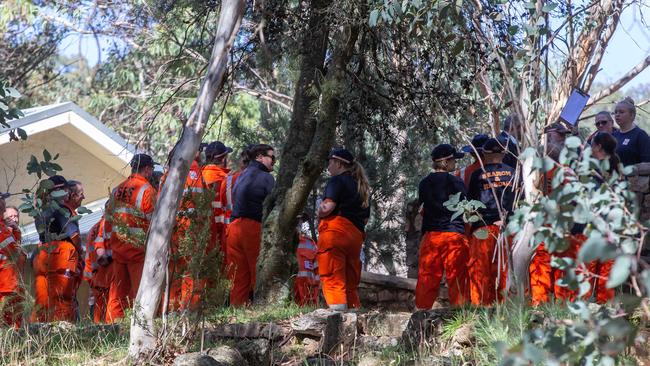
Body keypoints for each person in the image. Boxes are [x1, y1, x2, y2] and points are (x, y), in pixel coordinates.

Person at [416, 144, 469, 309]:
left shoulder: (424, 183)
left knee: (427, 279)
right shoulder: (457, 182)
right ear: (446, 162)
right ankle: (460, 318)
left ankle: (420, 317)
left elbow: (423, 208)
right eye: (453, 160)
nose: (455, 163)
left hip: (432, 237)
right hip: (454, 236)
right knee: (457, 279)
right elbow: (464, 209)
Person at [316, 148, 371, 310]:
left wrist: (319, 212)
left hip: (335, 233)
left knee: (333, 277)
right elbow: (365, 218)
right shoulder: (362, 187)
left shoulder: (336, 181)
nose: (328, 166)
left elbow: (327, 207)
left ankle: (337, 320)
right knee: (349, 281)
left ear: (339, 164)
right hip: (355, 236)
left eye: (330, 162)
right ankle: (355, 316)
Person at [105, 153, 156, 322]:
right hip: (137, 251)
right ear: (147, 170)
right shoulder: (147, 190)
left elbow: (109, 220)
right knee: (141, 293)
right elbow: (154, 224)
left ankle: (113, 327)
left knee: (119, 294)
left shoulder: (116, 190)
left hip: (118, 249)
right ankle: (141, 326)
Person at [467, 137, 515, 305]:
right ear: (503, 153)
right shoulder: (513, 173)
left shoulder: (476, 175)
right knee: (506, 271)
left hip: (483, 229)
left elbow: (470, 205)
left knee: (479, 271)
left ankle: (481, 311)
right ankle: (507, 308)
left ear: (484, 154)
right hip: (508, 228)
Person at [226, 144, 275, 306]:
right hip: (253, 227)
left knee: (238, 276)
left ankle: (236, 312)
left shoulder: (241, 175)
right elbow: (275, 203)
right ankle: (262, 309)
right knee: (258, 271)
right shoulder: (266, 177)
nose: (274, 162)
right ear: (260, 157)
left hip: (233, 228)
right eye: (272, 158)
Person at [202, 141, 233, 255]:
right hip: (221, 231)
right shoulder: (225, 179)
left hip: (203, 230)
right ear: (223, 158)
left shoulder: (200, 176)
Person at [0, 193, 24, 327]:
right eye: (10, 216)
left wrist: (16, 232)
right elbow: (12, 250)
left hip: (14, 285)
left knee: (15, 323)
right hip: (4, 286)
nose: (14, 219)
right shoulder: (3, 232)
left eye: (16, 216)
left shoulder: (10, 233)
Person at [82, 216, 113, 323]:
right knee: (110, 305)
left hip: (94, 273)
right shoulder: (107, 224)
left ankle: (97, 331)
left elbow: (88, 254)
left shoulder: (93, 228)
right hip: (107, 270)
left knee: (97, 307)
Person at [612, 97, 650, 166]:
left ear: (632, 115)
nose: (617, 114)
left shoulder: (640, 135)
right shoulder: (612, 136)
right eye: (616, 112)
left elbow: (647, 163)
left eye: (621, 112)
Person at [293, 214, 320, 307]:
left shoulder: (310, 243)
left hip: (308, 293)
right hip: (290, 293)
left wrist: (316, 286)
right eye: (296, 220)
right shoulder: (281, 243)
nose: (298, 223)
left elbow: (318, 267)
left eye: (300, 221)